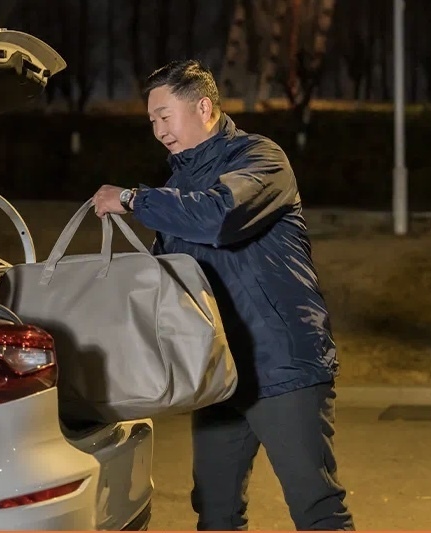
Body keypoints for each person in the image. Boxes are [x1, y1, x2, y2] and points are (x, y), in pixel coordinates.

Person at [90, 60, 355, 531]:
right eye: (151, 120)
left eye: (165, 116)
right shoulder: (175, 190)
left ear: (204, 108)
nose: (159, 131)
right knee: (215, 512)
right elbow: (168, 283)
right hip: (218, 374)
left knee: (317, 509)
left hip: (283, 366)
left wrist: (133, 200)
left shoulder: (260, 159)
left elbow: (220, 217)